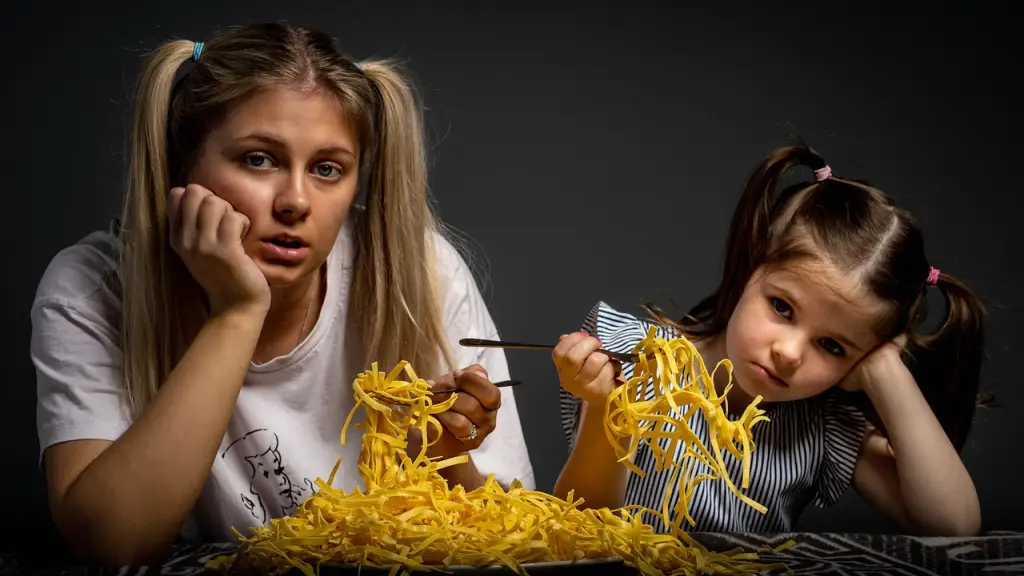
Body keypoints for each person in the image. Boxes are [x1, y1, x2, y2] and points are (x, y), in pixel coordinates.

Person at [30, 23, 534, 566]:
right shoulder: (92, 286)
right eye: (259, 159)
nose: (295, 201)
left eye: (327, 169)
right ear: (183, 162)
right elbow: (112, 544)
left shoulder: (422, 271)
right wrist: (237, 311)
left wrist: (443, 459)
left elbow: (517, 540)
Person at [552, 145, 985, 537]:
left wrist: (884, 369)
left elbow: (953, 525)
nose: (789, 353)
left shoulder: (822, 425)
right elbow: (580, 529)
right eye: (782, 307)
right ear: (749, 268)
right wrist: (606, 409)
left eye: (832, 346)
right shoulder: (634, 360)